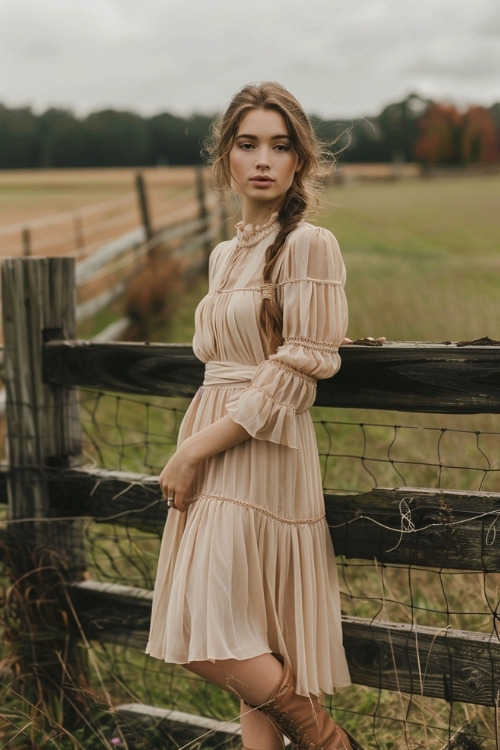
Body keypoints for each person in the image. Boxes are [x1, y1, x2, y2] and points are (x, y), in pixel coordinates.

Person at [146, 82, 364, 750]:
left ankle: (324, 739)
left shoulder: (309, 243)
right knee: (245, 633)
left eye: (280, 145)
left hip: (258, 447)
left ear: (299, 161)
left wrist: (193, 452)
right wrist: (200, 447)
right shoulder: (223, 255)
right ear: (227, 159)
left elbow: (301, 360)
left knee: (209, 637)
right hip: (218, 435)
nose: (263, 159)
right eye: (248, 145)